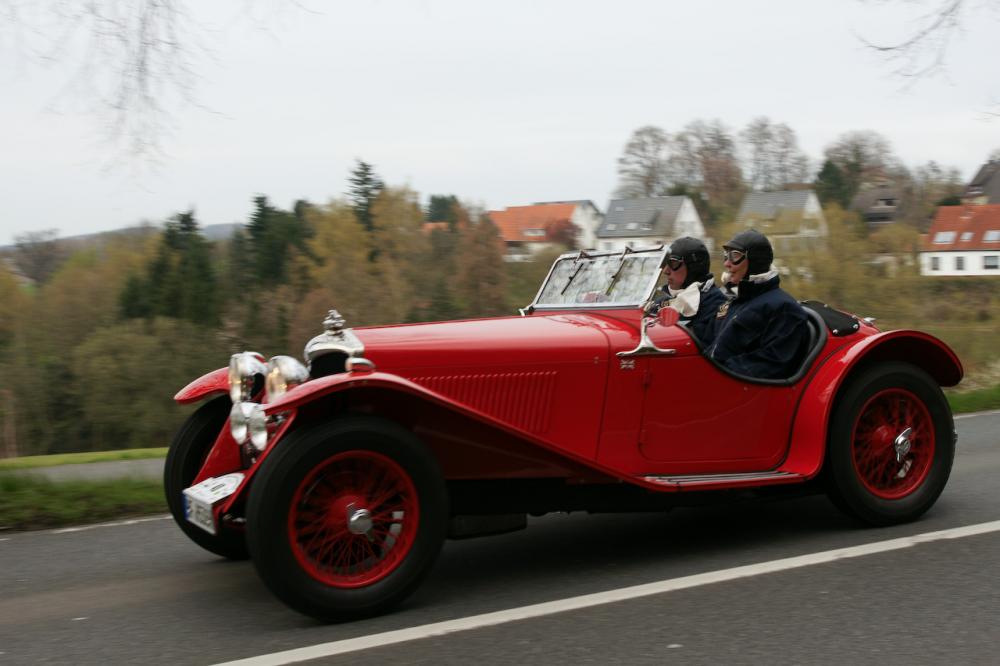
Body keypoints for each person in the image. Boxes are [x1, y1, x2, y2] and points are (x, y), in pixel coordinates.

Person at [706, 229, 810, 379]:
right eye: (726, 256)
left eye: (734, 256)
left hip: (736, 389)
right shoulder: (737, 300)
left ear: (754, 261)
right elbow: (711, 345)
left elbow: (771, 363)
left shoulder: (784, 308)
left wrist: (712, 375)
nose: (727, 263)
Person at [648, 237, 725, 343]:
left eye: (673, 263)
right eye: (665, 263)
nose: (666, 271)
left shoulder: (716, 304)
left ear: (694, 268)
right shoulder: (661, 302)